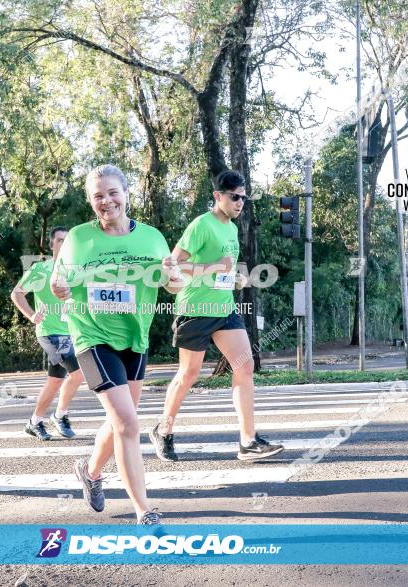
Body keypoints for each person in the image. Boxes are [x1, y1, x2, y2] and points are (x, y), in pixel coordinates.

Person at [51, 164, 183, 525]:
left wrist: (174, 277)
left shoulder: (152, 237)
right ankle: (144, 510)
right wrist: (60, 288)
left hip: (134, 337)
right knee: (128, 423)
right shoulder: (78, 237)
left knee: (121, 420)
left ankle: (90, 471)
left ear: (126, 194)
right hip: (91, 335)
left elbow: (172, 283)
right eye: (98, 196)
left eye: (112, 193)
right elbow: (58, 282)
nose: (106, 201)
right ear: (91, 202)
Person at [150, 170, 284, 462]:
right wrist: (213, 267)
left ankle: (247, 441)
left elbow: (224, 269)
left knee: (245, 367)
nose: (239, 203)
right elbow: (172, 267)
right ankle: (163, 430)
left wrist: (234, 277)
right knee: (188, 374)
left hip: (224, 309)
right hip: (195, 309)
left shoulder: (232, 229)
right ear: (218, 196)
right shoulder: (201, 225)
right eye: (234, 197)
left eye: (243, 198)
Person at [11, 226, 84, 441]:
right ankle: (60, 415)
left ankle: (34, 422)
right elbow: (17, 293)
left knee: (55, 381)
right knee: (79, 374)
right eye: (60, 240)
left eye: (68, 241)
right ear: (52, 244)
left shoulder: (77, 271)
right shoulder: (41, 269)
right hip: (50, 332)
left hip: (72, 332)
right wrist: (32, 315)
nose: (64, 244)